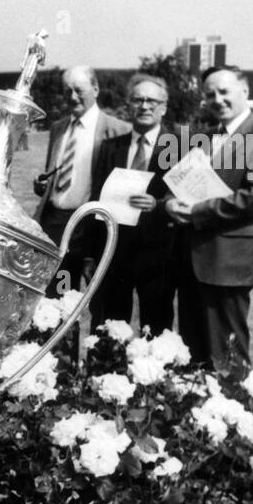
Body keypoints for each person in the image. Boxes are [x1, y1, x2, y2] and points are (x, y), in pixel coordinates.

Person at [167, 66, 253, 372]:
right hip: (190, 259)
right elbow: (181, 185)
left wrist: (196, 212)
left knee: (228, 355)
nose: (217, 99)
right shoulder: (203, 138)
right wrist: (171, 204)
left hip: (229, 260)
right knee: (192, 354)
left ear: (244, 92)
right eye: (210, 94)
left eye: (224, 91)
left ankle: (233, 415)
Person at [87, 74, 178, 335]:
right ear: (128, 105)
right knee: (111, 329)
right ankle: (109, 376)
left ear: (164, 107)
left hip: (159, 257)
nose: (144, 106)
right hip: (115, 253)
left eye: (152, 100)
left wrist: (158, 205)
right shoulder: (110, 148)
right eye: (138, 100)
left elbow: (187, 199)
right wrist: (92, 253)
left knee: (157, 329)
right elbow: (97, 199)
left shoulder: (178, 147)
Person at [33, 65, 131, 293]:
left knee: (98, 297)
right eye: (67, 91)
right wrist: (43, 186)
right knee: (57, 294)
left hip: (91, 228)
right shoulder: (58, 128)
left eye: (79, 90)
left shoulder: (118, 130)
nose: (72, 97)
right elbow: (56, 173)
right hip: (55, 226)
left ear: (95, 89)